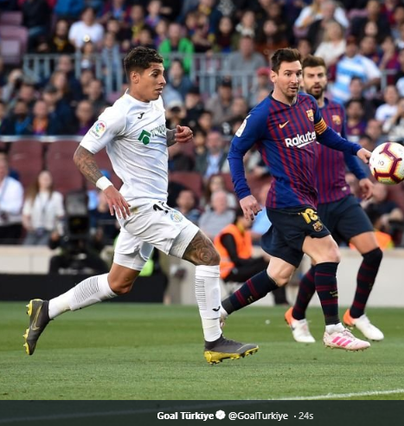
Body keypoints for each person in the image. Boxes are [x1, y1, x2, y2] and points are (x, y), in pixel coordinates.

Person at [23, 47, 258, 365]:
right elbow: (81, 155)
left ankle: (46, 309)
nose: (162, 80)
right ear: (135, 76)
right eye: (155, 74)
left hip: (148, 205)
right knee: (208, 255)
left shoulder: (155, 102)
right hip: (140, 207)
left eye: (162, 73)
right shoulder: (117, 113)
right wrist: (107, 188)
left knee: (117, 283)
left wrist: (173, 135)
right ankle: (214, 340)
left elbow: (148, 138)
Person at [223, 48, 373, 351]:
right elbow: (235, 152)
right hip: (287, 201)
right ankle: (333, 329)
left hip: (306, 198)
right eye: (288, 73)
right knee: (329, 252)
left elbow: (325, 134)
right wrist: (243, 193)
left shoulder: (306, 104)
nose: (295, 79)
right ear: (274, 76)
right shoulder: (262, 114)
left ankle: (219, 310)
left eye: (298, 73)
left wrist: (355, 149)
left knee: (277, 274)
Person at [279, 55, 385, 344]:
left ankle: (356, 314)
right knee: (320, 266)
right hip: (313, 201)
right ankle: (297, 315)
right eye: (309, 76)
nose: (315, 80)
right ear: (301, 79)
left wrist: (361, 175)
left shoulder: (337, 109)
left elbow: (343, 146)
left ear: (327, 78)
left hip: (341, 195)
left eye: (320, 75)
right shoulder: (294, 111)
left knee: (373, 253)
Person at [22, 170, 65, 246]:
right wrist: (28, 226)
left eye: (47, 178)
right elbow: (25, 215)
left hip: (49, 230)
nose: (45, 180)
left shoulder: (56, 196)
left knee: (42, 248)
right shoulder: (32, 196)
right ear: (38, 180)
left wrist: (57, 232)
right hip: (34, 231)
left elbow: (60, 216)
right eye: (43, 178)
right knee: (26, 249)